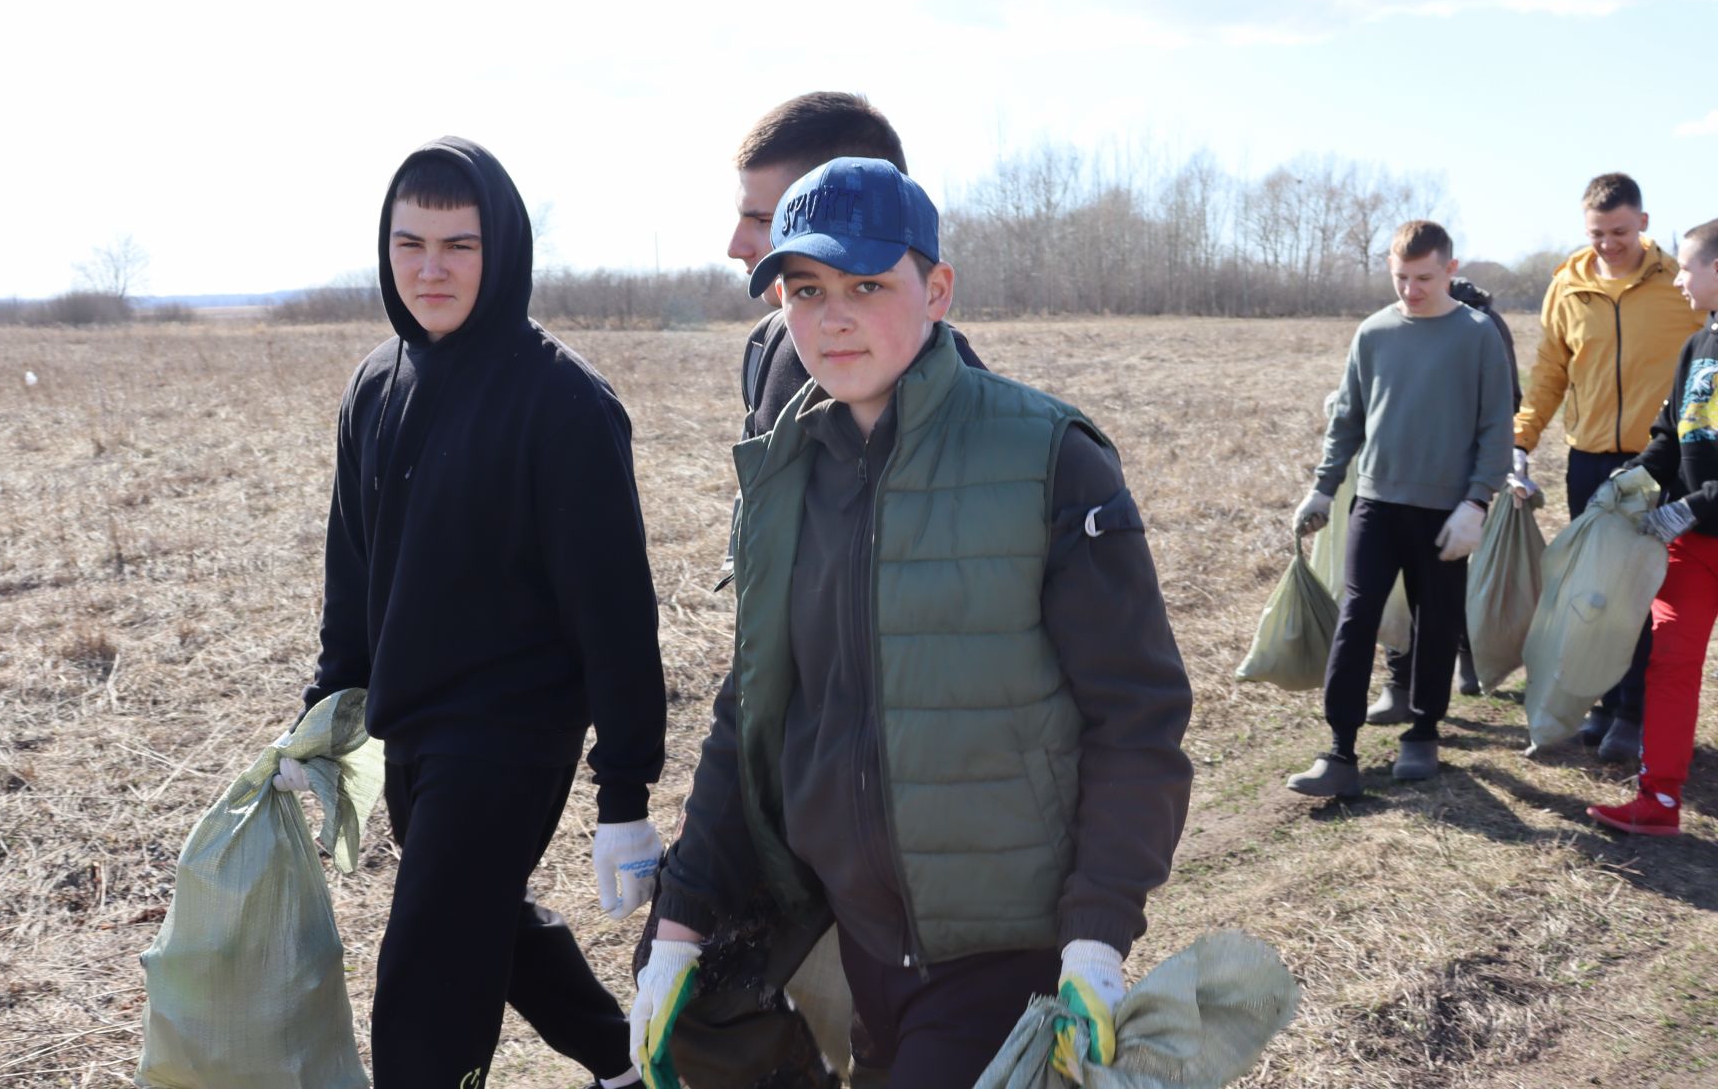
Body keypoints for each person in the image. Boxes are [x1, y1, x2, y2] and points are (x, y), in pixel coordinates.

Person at [632, 158, 1194, 1087]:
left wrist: (1097, 936)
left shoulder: (1051, 459)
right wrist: (679, 927)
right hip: (859, 948)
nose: (832, 317)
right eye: (804, 290)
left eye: (865, 286)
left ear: (936, 290)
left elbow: (1136, 715)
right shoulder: (785, 479)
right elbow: (755, 711)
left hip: (1005, 955)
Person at [278, 138, 667, 1088]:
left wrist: (625, 794)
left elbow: (617, 610)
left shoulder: (562, 402)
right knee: (480, 915)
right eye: (409, 244)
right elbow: (355, 565)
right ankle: (629, 1066)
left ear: (504, 251)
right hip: (413, 724)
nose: (430, 269)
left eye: (459, 244)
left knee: (426, 977)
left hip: (512, 734)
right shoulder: (377, 383)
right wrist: (326, 708)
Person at [639, 91, 987, 1089]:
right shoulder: (774, 352)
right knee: (698, 995)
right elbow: (767, 652)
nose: (737, 238)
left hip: (918, 826)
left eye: (762, 213)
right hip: (794, 766)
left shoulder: (975, 429)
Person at [1289, 220, 1514, 797]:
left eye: (1424, 278)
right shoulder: (1373, 333)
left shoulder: (1477, 333)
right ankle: (1340, 751)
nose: (1411, 290)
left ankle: (1424, 731)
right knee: (1356, 617)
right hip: (1377, 503)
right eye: (1401, 278)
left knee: (1437, 620)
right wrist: (1322, 487)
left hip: (1445, 511)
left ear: (1450, 270)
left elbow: (1495, 428)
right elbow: (1348, 420)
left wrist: (1477, 502)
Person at [1512, 173, 1702, 760]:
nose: (1608, 243)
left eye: (1619, 230)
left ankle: (1635, 713)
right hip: (1589, 458)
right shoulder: (1566, 286)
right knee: (1593, 592)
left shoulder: (1682, 282)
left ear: (1643, 223)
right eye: (1597, 232)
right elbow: (1549, 370)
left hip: (1659, 461)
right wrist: (1521, 438)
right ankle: (1602, 701)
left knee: (1642, 589)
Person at [1588, 217, 1718, 836]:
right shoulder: (1697, 347)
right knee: (1670, 663)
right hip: (1693, 548)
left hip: (1695, 519)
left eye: (1688, 267)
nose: (1680, 280)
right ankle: (1659, 800)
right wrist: (1626, 486)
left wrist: (1694, 504)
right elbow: (1668, 440)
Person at [1367, 272, 1525, 719]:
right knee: (1399, 585)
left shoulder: (1484, 326)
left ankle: (1466, 655)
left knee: (1443, 578)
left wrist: (1480, 483)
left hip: (1459, 485)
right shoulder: (1400, 320)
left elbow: (1505, 403)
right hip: (1397, 481)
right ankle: (1399, 683)